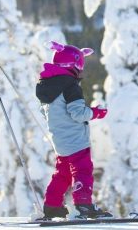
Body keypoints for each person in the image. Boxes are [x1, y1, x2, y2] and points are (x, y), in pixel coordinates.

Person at [35, 41, 112, 220]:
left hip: (59, 139)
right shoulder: (70, 87)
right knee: (82, 170)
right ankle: (83, 204)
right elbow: (78, 114)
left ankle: (52, 205)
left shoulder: (47, 85)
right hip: (76, 140)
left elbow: (48, 112)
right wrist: (96, 112)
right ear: (74, 65)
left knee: (62, 173)